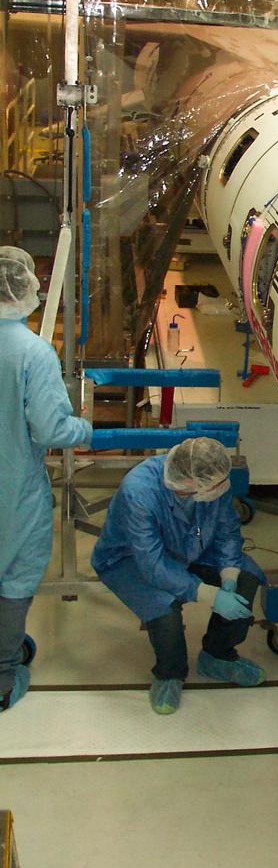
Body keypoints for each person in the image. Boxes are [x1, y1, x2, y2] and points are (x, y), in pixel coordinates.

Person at [91, 436, 266, 714]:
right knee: (163, 605)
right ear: (187, 484)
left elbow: (227, 530)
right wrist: (208, 593)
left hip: (188, 546)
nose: (223, 489)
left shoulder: (209, 480)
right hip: (129, 558)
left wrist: (229, 575)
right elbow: (151, 564)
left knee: (247, 576)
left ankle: (217, 655)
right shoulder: (139, 492)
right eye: (216, 485)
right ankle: (169, 674)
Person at [0, 247, 93, 714]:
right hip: (11, 491)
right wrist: (85, 428)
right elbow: (53, 429)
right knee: (12, 582)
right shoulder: (32, 353)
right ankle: (1, 677)